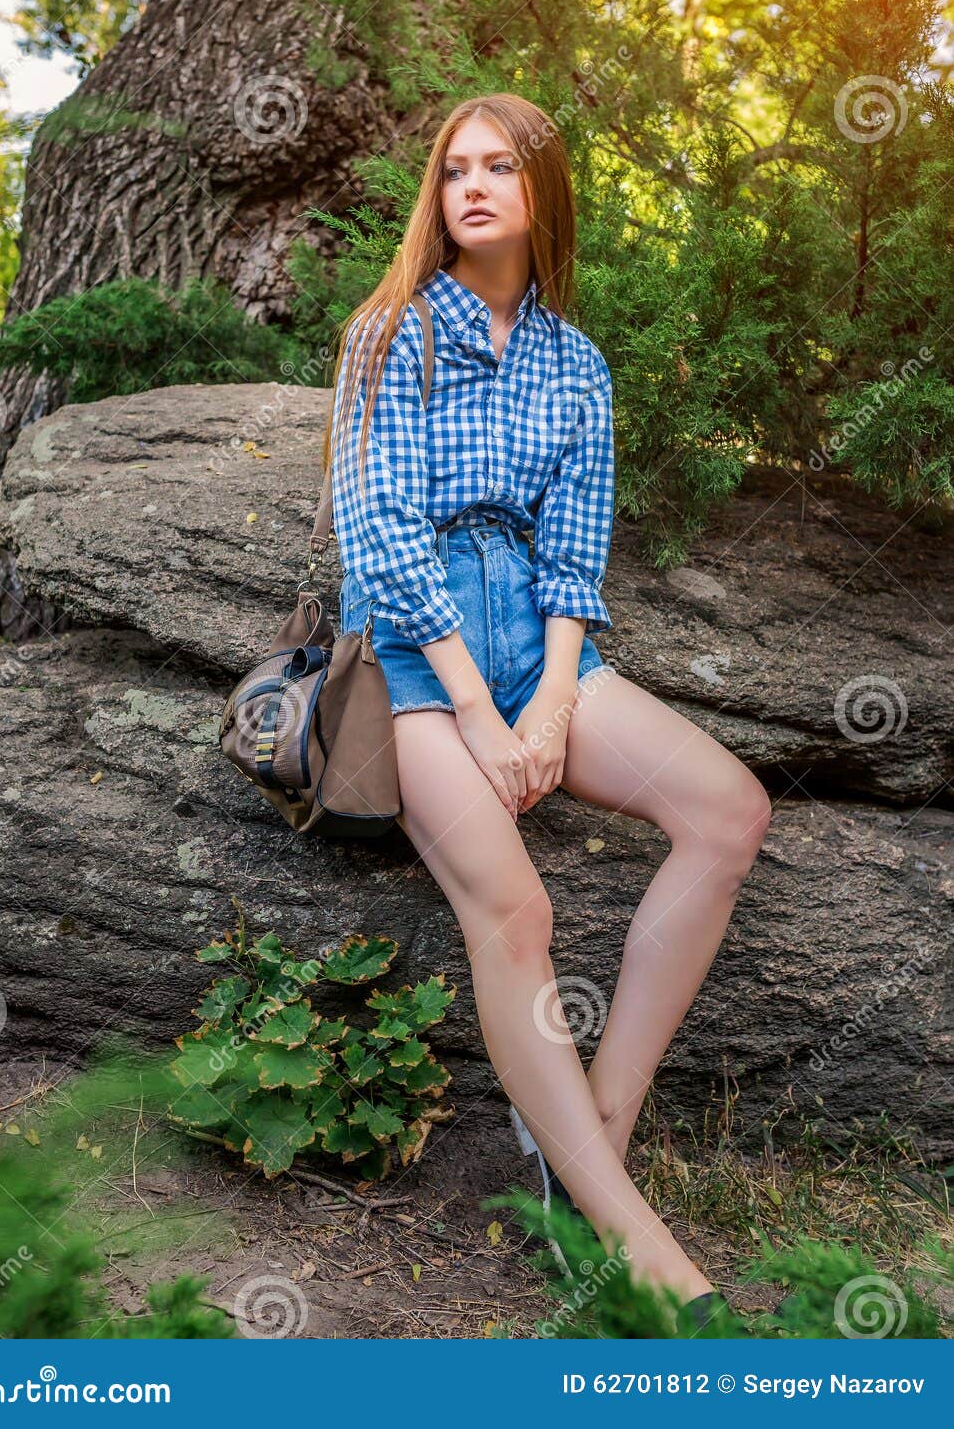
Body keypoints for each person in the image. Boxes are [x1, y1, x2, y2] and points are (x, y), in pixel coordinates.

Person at [324, 91, 771, 1322]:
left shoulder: (577, 365)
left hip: (536, 636)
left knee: (727, 810)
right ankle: (628, 1240)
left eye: (498, 169)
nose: (471, 187)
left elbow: (576, 549)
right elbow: (381, 538)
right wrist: (475, 712)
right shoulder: (393, 335)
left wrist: (556, 701)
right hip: (419, 656)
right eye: (453, 170)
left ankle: (591, 1144)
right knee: (515, 907)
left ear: (539, 193)